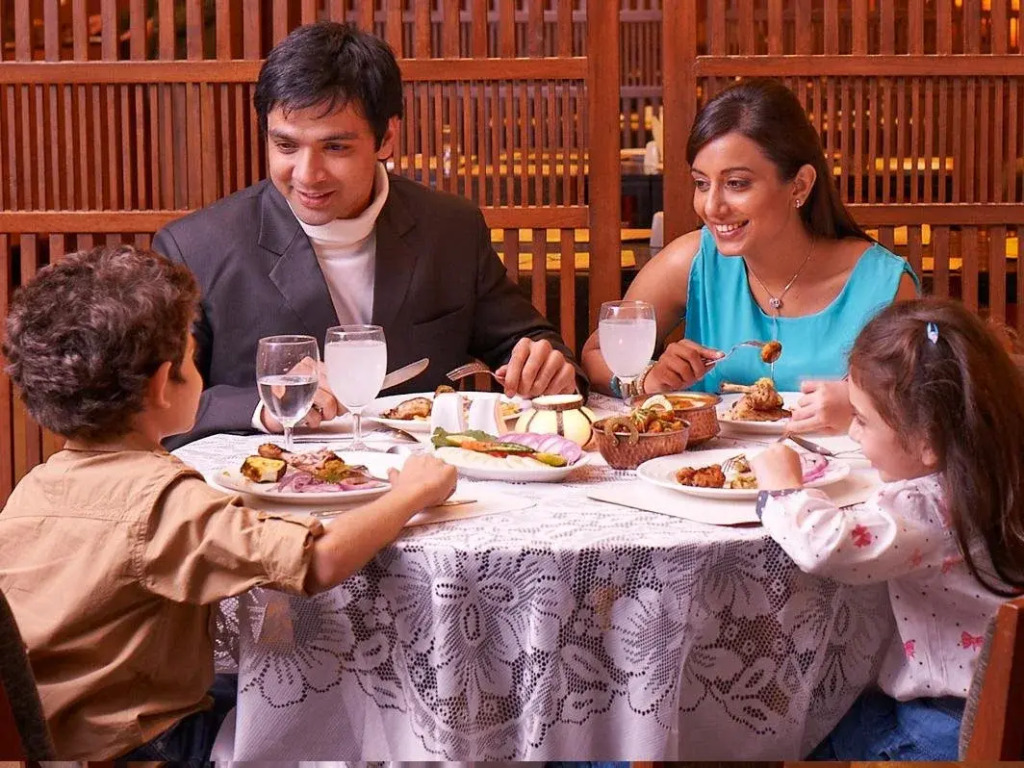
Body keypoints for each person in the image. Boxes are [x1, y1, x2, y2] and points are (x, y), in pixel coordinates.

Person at [0, 245, 457, 760]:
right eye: (191, 358)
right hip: (146, 745)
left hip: (50, 736)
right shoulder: (166, 503)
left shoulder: (31, 489)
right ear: (162, 385)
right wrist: (411, 493)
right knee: (342, 704)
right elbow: (318, 560)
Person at [154, 21, 582, 448]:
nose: (307, 175)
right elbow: (149, 406)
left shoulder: (451, 228)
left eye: (335, 147)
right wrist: (261, 406)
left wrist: (545, 366)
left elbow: (529, 344)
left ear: (387, 137)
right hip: (267, 480)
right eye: (286, 146)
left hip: (424, 477)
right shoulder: (197, 249)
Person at [750, 297, 1024, 760]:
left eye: (862, 420)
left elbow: (825, 545)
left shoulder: (927, 507)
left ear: (927, 441)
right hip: (1008, 710)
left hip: (945, 726)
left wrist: (782, 490)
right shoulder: (1001, 464)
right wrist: (864, 411)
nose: (853, 434)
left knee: (802, 722)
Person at [581, 78, 918, 434]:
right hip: (710, 467)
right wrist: (648, 379)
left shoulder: (884, 287)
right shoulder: (692, 262)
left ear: (800, 185)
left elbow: (921, 415)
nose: (712, 207)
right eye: (702, 183)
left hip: (836, 469)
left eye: (737, 183)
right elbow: (596, 355)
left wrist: (859, 409)